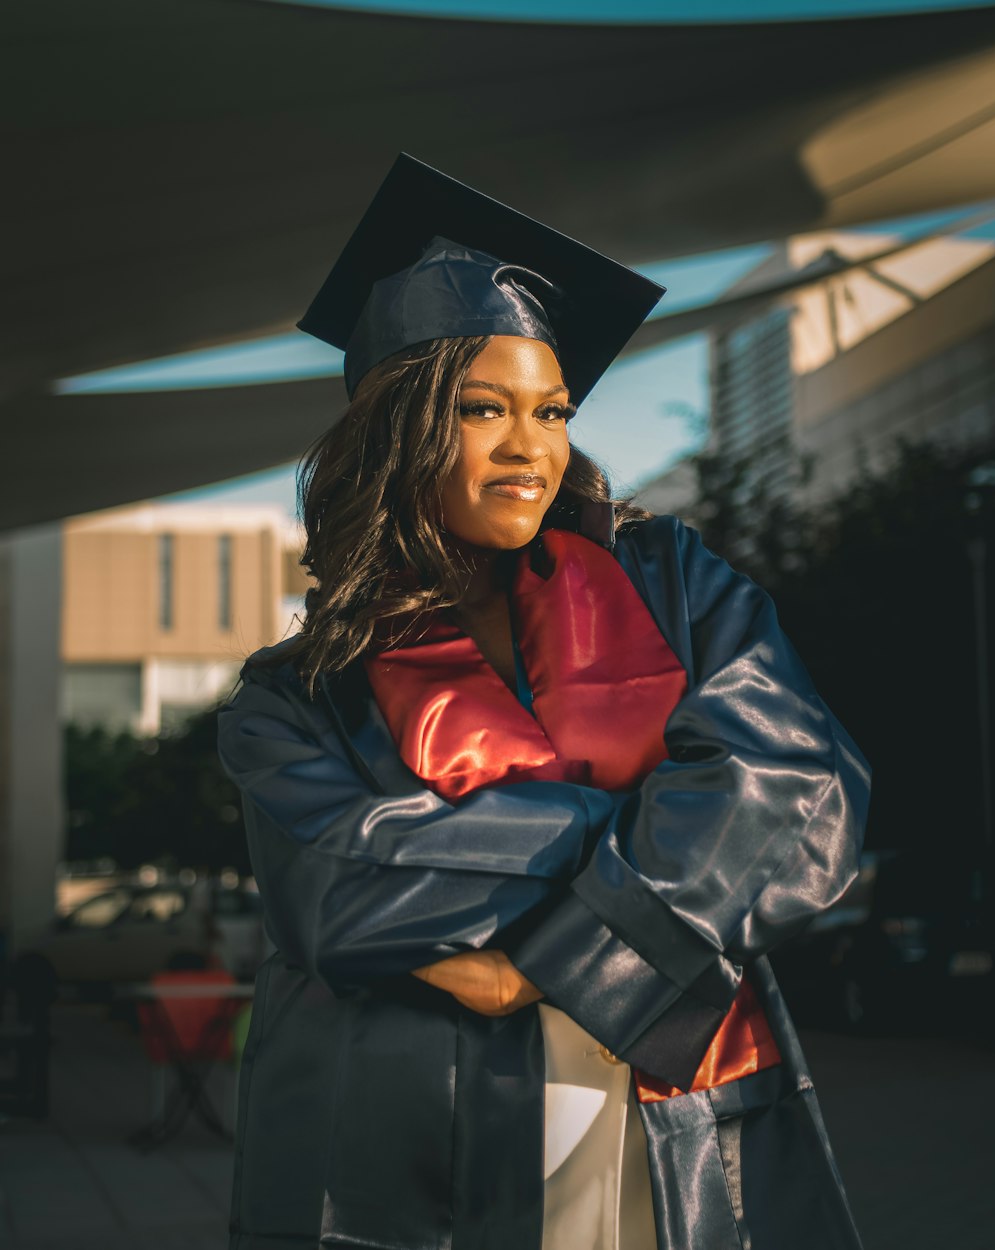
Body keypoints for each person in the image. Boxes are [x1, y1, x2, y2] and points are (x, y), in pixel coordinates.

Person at [216, 154, 871, 1250]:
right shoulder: (298, 692)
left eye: (553, 410)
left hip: (673, 1087)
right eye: (482, 410)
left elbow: (796, 788)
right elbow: (334, 889)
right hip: (416, 1121)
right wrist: (637, 826)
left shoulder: (669, 582)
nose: (531, 448)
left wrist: (538, 951)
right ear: (401, 430)